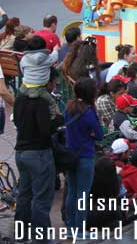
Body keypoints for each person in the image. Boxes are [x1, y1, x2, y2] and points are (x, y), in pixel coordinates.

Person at [13, 68, 62, 235]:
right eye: (54, 82)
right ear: (46, 82)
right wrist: (58, 120)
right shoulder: (41, 102)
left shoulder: (20, 97)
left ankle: (22, 233)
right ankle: (41, 236)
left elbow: (18, 123)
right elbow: (45, 129)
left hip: (21, 152)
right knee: (41, 197)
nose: (55, 85)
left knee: (24, 195)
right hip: (38, 153)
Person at [64, 78, 104, 235]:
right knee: (83, 193)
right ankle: (80, 229)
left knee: (72, 191)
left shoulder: (69, 108)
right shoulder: (88, 112)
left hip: (70, 154)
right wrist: (91, 136)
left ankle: (70, 227)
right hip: (85, 156)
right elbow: (99, 135)